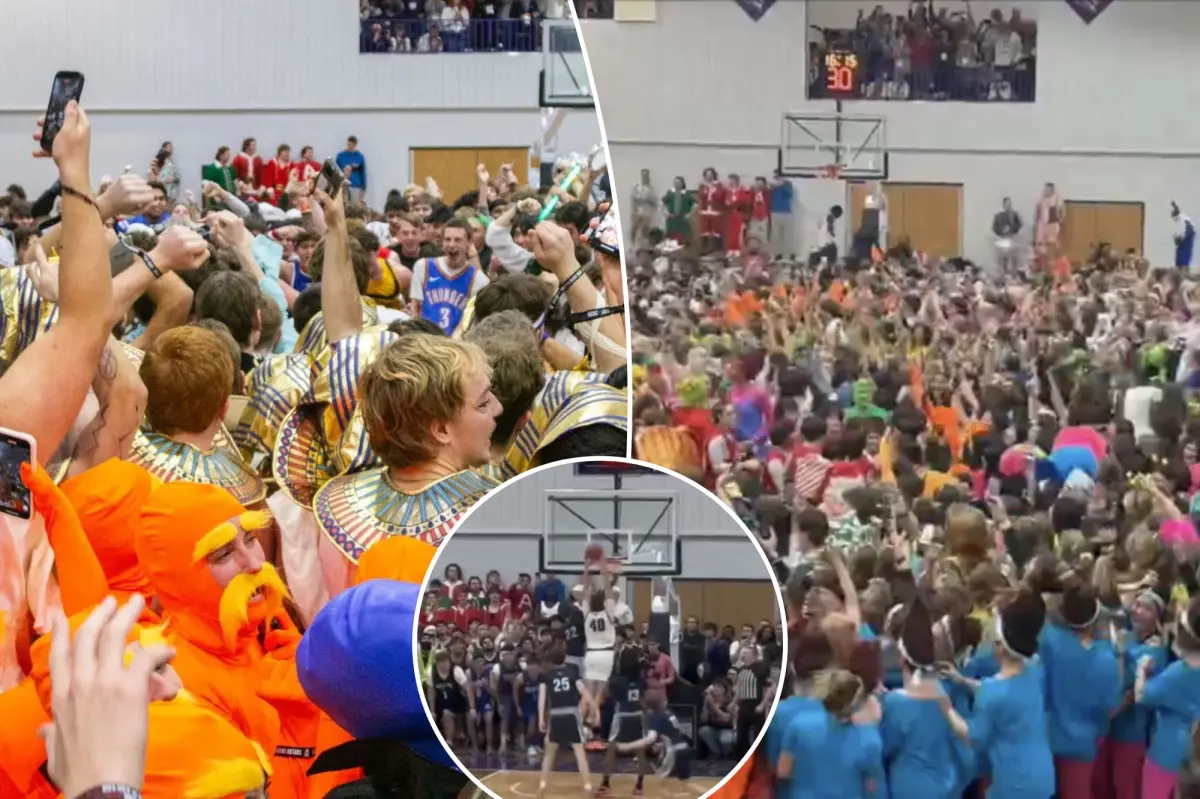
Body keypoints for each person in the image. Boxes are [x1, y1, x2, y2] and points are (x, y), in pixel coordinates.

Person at [538, 642, 596, 798]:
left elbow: (542, 699)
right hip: (571, 714)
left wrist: (541, 720)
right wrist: (594, 708)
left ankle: (542, 785)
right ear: (565, 656)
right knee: (579, 752)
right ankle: (588, 785)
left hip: (555, 715)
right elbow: (583, 692)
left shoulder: (546, 675)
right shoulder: (572, 671)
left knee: (549, 754)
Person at [336, 135, 367, 203]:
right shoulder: (340, 156)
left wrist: (363, 188)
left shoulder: (360, 156)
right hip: (343, 186)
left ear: (355, 145)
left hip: (355, 186)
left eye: (352, 145)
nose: (350, 146)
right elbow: (336, 171)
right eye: (349, 144)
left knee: (355, 207)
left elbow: (363, 173)